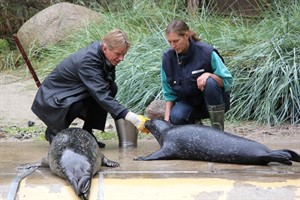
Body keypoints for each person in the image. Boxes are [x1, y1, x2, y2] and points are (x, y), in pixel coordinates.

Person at [31, 28, 148, 148]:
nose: (121, 58)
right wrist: (129, 116)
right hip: (52, 97)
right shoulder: (89, 61)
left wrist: (118, 113)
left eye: (124, 54)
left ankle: (88, 133)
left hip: (73, 91)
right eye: (118, 54)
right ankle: (53, 132)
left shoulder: (105, 55)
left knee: (111, 88)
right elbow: (101, 94)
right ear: (105, 48)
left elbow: (105, 87)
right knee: (77, 104)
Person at [161, 20, 233, 130]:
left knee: (209, 82)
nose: (173, 46)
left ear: (186, 35)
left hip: (216, 102)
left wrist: (209, 75)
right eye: (169, 42)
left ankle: (218, 131)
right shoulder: (168, 58)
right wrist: (167, 119)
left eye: (176, 41)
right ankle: (196, 126)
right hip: (189, 103)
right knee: (176, 117)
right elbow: (169, 93)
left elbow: (227, 81)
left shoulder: (207, 52)